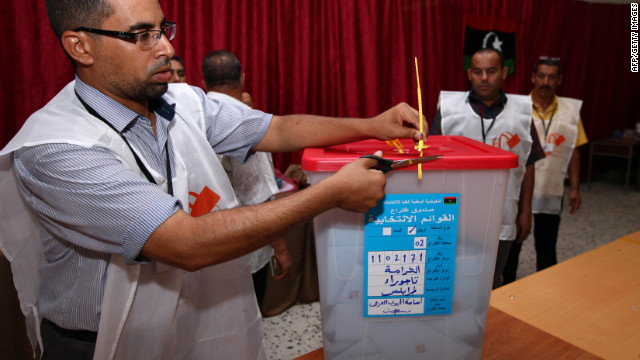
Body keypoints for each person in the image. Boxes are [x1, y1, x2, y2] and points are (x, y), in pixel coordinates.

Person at [0, 0, 425, 359]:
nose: (165, 47)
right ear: (80, 46)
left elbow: (277, 130)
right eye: (141, 35)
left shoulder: (181, 101)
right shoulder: (57, 148)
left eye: (163, 29)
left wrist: (373, 124)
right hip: (100, 343)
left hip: (188, 318)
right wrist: (330, 194)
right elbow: (183, 243)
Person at [430, 47, 545, 289]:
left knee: (492, 280)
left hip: (503, 210)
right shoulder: (450, 111)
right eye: (478, 71)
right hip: (455, 212)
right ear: (469, 73)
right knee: (450, 278)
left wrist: (525, 211)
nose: (484, 78)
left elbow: (529, 164)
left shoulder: (522, 113)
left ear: (503, 72)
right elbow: (431, 164)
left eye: (491, 71)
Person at [201, 49, 292, 308]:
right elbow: (258, 197)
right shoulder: (247, 123)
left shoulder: (194, 116)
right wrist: (281, 248)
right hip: (245, 247)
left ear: (204, 83)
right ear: (242, 78)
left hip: (204, 242)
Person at [502, 57, 587, 284]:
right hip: (521, 191)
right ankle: (507, 292)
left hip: (551, 190)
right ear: (533, 77)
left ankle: (546, 295)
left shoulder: (570, 111)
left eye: (551, 77)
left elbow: (574, 151)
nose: (545, 82)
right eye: (541, 76)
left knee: (547, 249)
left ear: (559, 80)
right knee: (512, 249)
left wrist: (575, 188)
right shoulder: (517, 109)